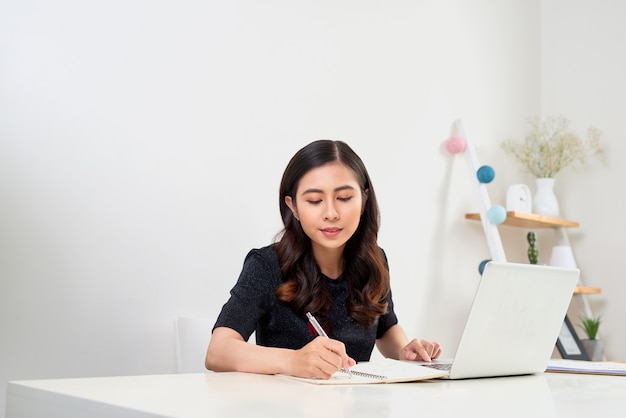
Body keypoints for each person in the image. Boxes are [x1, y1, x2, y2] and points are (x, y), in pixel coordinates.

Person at [205, 139, 441, 379]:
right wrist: (293, 361)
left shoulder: (374, 260)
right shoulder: (267, 264)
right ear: (293, 206)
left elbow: (386, 328)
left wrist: (405, 352)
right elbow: (218, 351)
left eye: (345, 198)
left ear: (363, 200)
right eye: (314, 201)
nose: (331, 214)